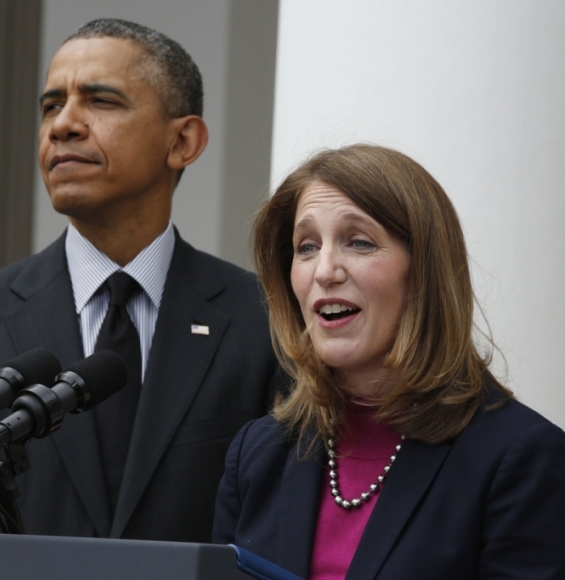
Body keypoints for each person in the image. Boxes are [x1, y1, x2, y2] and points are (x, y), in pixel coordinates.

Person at [0, 18, 279, 542]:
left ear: (183, 140)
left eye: (101, 101)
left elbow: (276, 535)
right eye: (51, 105)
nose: (63, 125)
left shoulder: (263, 321)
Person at [213, 144, 565, 579]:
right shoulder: (257, 453)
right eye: (306, 247)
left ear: (424, 270)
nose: (324, 270)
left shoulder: (521, 456)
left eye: (358, 242)